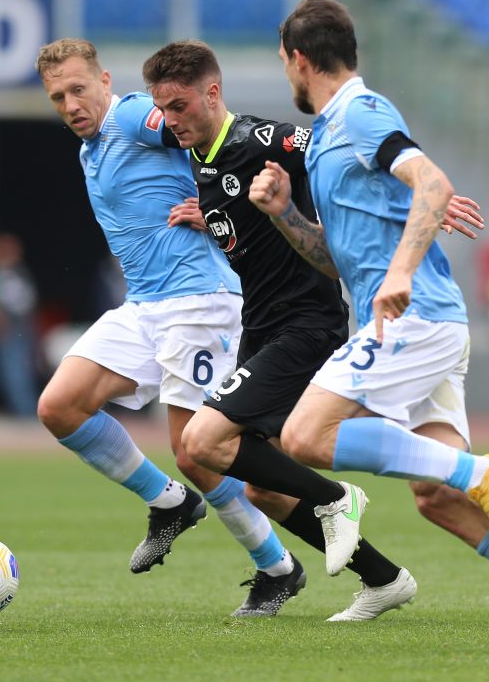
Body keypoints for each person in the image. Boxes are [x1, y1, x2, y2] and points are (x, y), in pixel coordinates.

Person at [247, 0, 489, 654]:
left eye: (284, 62)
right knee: (437, 496)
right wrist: (285, 213)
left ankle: (482, 471)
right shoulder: (329, 139)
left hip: (413, 318)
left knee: (305, 435)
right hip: (418, 321)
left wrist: (401, 272)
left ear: (298, 58)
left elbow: (433, 184)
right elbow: (340, 261)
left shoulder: (361, 112)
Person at [142, 40, 483, 621]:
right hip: (262, 326)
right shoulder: (201, 155)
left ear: (212, 94)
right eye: (162, 109)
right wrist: (218, 217)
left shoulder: (262, 139)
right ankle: (384, 579)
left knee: (200, 443)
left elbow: (343, 155)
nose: (170, 120)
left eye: (179, 106)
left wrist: (422, 196)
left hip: (305, 324)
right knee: (262, 487)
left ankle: (338, 496)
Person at [35, 38, 303, 617]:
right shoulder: (90, 150)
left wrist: (226, 208)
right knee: (59, 407)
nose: (71, 104)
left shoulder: (134, 116)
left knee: (197, 454)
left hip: (199, 302)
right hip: (144, 307)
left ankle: (278, 568)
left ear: (105, 81)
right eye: (58, 97)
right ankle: (169, 503)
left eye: (79, 89)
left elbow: (211, 135)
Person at [0, 233, 40, 417]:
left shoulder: (17, 273)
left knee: (18, 373)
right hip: (5, 330)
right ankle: (23, 413)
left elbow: (27, 304)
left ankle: (27, 414)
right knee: (9, 374)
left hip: (19, 329)